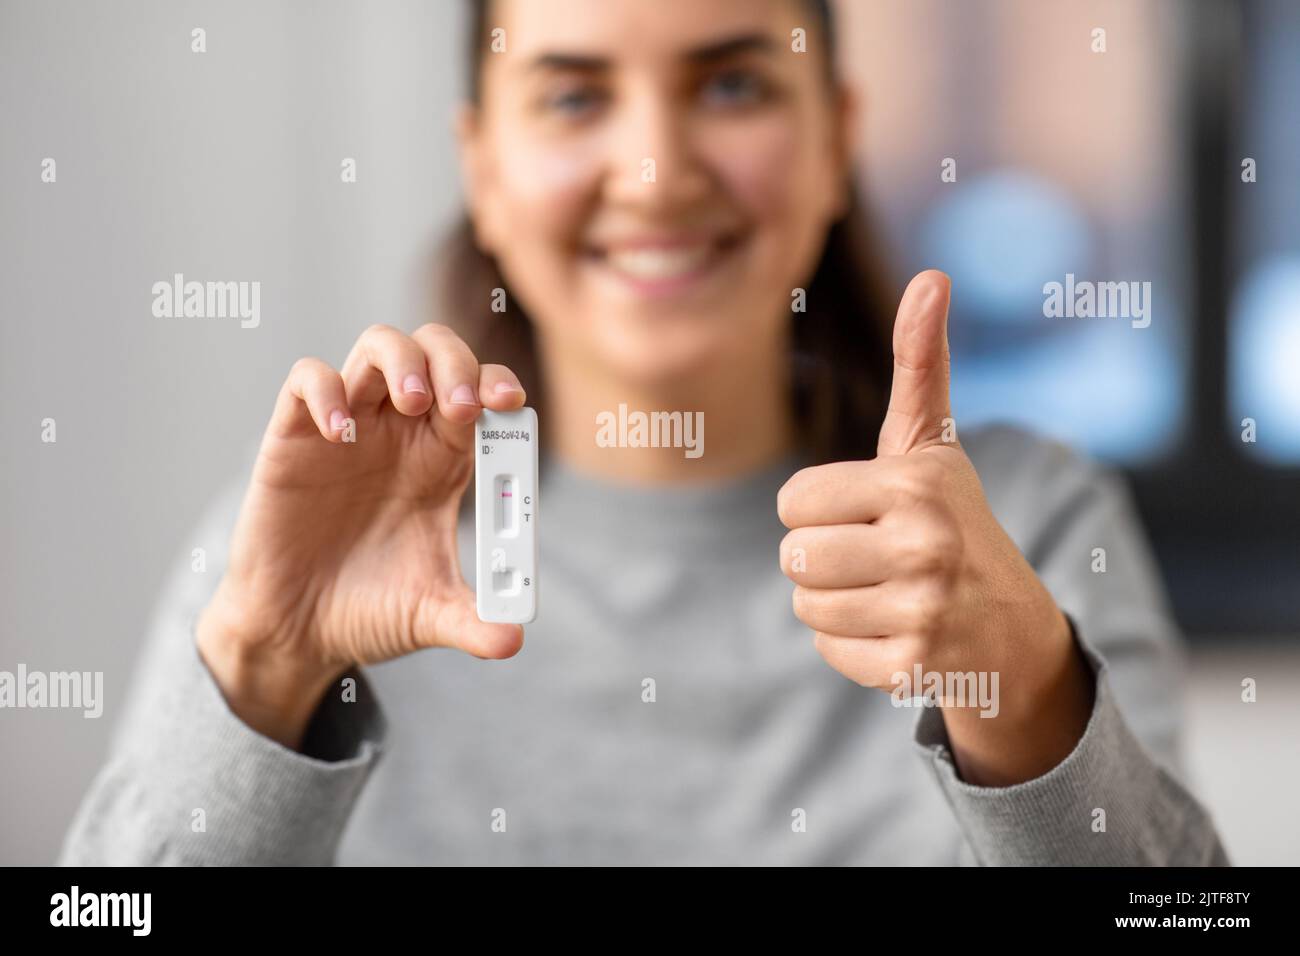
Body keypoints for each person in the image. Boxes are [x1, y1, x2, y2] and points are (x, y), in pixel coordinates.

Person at [60, 0, 1227, 865]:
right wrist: (265, 672)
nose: (657, 175)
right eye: (573, 96)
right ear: (484, 169)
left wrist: (1022, 691)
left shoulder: (1027, 517)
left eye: (731, 86)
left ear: (834, 139)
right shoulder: (305, 550)